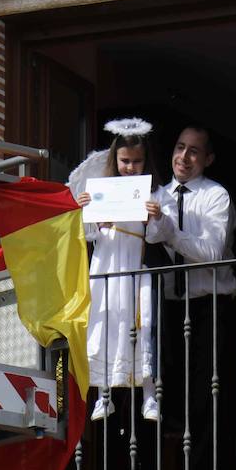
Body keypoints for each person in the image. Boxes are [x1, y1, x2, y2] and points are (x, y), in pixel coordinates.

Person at [143, 124, 236, 470]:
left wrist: (169, 232)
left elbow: (213, 251)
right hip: (166, 308)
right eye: (179, 148)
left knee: (206, 401)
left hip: (208, 306)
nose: (184, 157)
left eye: (194, 151)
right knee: (167, 399)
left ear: (208, 159)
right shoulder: (156, 196)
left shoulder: (216, 196)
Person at [68, 118, 162, 425]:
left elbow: (161, 234)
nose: (130, 168)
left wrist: (155, 217)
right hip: (107, 264)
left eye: (136, 162)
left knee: (141, 326)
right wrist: (85, 212)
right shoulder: (100, 189)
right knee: (104, 323)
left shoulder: (154, 194)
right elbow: (85, 234)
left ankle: (149, 394)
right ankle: (103, 394)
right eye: (125, 161)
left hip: (134, 264)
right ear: (114, 159)